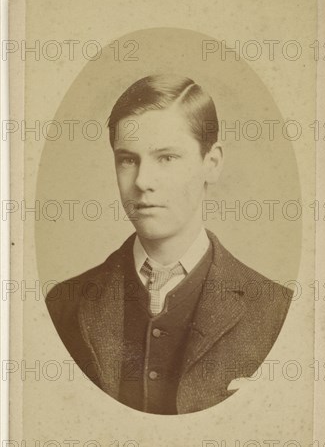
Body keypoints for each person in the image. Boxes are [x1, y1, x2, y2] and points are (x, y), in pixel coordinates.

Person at [46, 74, 292, 415]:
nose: (143, 182)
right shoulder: (63, 306)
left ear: (212, 163)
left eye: (167, 158)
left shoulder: (277, 312)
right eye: (128, 160)